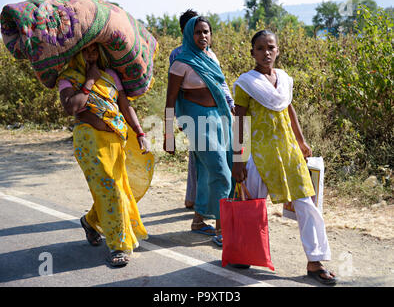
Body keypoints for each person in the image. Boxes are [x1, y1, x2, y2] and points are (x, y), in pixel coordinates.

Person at [232, 30, 337, 285]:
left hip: (288, 151)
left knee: (306, 204)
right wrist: (238, 159)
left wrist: (301, 141)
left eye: (270, 47)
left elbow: (289, 109)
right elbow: (240, 121)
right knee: (253, 206)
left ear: (277, 50)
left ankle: (315, 261)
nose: (266, 52)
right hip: (258, 154)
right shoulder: (246, 83)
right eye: (260, 48)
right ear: (252, 52)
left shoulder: (285, 80)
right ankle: (245, 252)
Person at [58, 43, 151, 267]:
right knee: (110, 188)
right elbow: (73, 107)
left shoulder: (110, 76)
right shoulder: (68, 78)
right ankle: (118, 245)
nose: (91, 55)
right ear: (77, 53)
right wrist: (89, 80)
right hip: (89, 143)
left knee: (120, 189)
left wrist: (139, 132)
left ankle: (90, 221)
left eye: (94, 51)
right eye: (86, 51)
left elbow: (124, 105)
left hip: (116, 141)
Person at [164, 16, 233, 247]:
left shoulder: (211, 57)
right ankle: (222, 230)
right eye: (197, 32)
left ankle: (198, 221)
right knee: (221, 173)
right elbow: (170, 101)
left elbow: (221, 88)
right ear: (188, 35)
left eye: (206, 32)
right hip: (196, 122)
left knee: (206, 171)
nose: (203, 36)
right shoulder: (181, 62)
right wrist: (168, 135)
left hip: (219, 118)